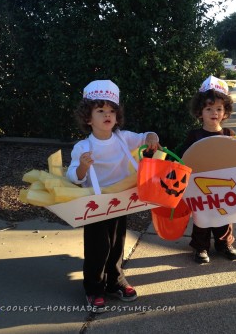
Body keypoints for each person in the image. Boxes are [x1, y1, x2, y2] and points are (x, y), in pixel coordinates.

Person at [66, 79, 159, 312]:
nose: (107, 115)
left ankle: (115, 280)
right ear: (88, 118)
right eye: (100, 111)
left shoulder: (123, 137)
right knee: (98, 246)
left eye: (112, 111)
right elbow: (72, 177)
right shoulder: (82, 147)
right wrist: (83, 168)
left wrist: (152, 137)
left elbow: (146, 135)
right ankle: (94, 287)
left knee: (117, 243)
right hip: (95, 204)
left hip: (121, 202)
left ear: (117, 116)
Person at [179, 76, 236, 264]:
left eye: (219, 109)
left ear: (225, 112)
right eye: (209, 108)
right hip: (200, 185)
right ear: (200, 112)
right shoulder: (195, 135)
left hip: (223, 185)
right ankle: (201, 248)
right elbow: (183, 156)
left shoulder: (229, 135)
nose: (214, 113)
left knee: (224, 215)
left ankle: (225, 245)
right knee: (202, 217)